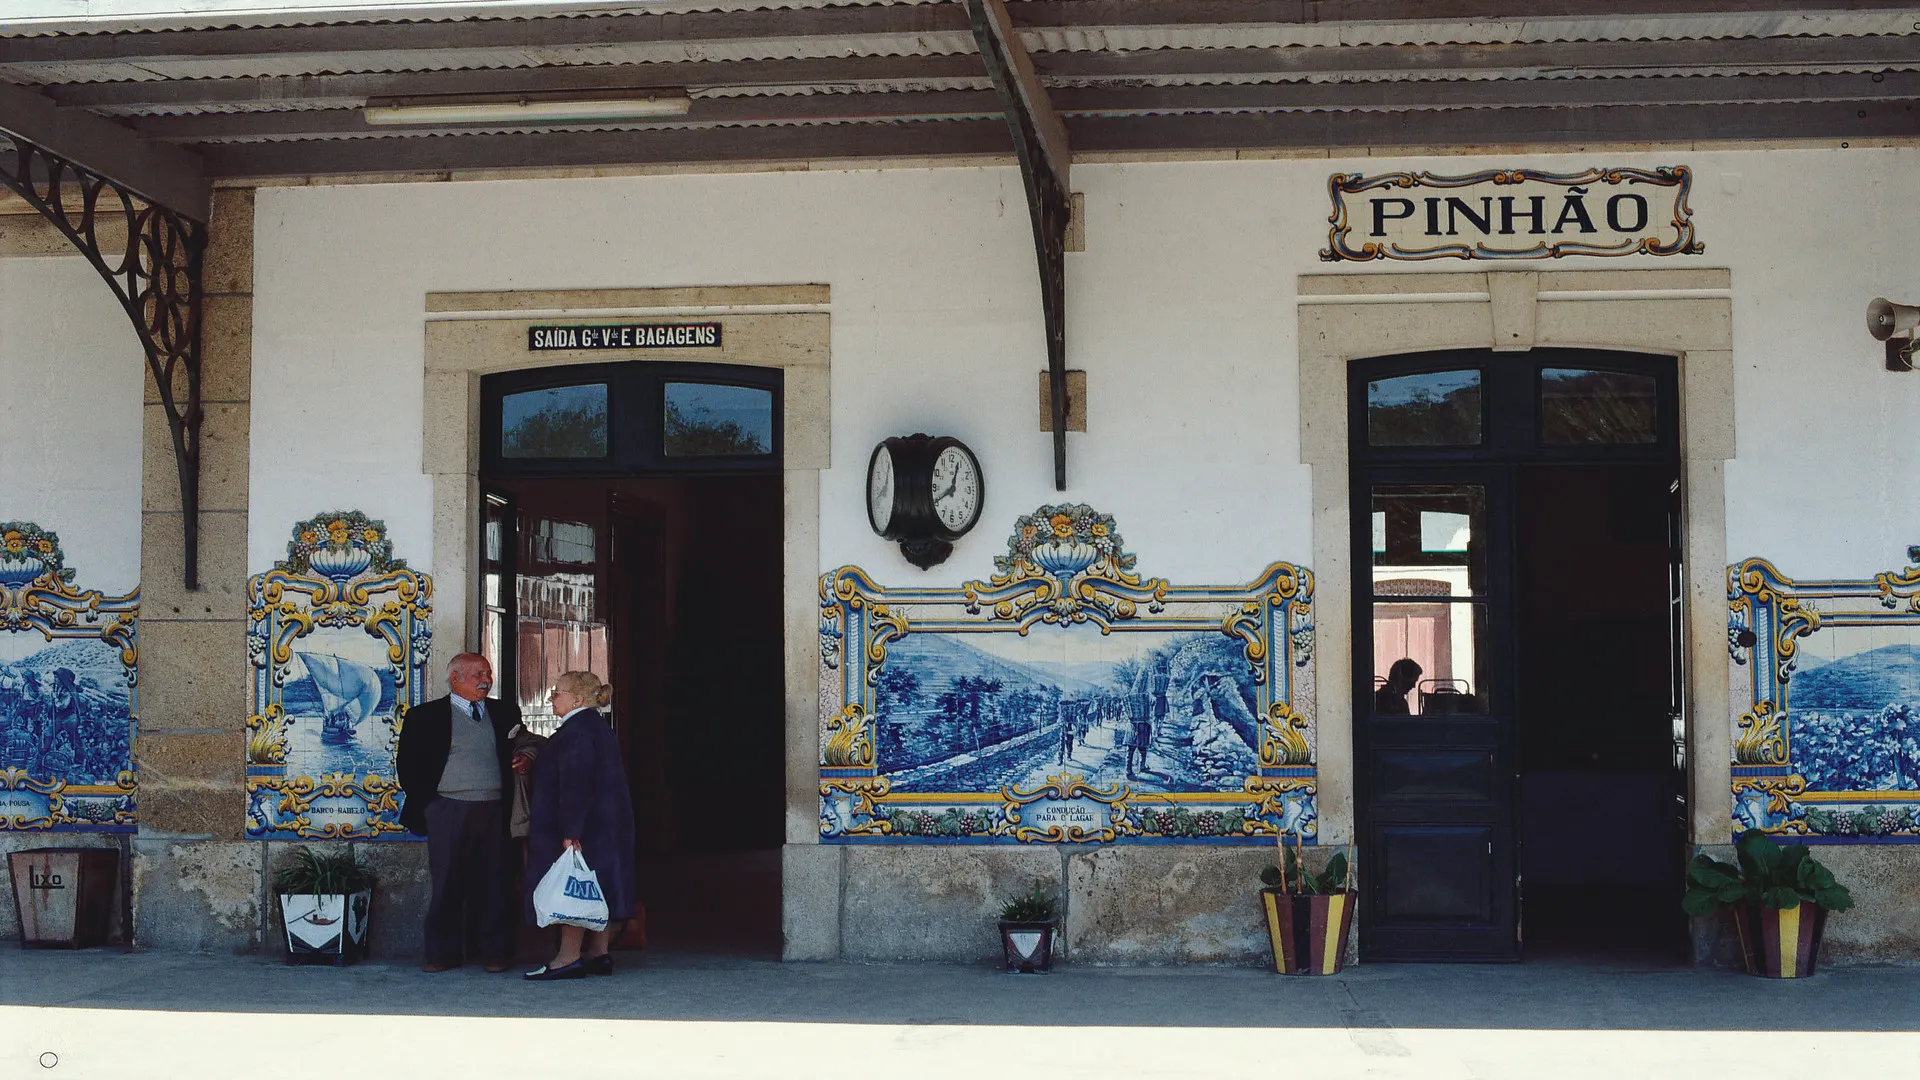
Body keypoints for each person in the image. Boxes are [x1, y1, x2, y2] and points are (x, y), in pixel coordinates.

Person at [395, 652, 524, 973]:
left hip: (495, 808)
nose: (486, 680)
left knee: (496, 881)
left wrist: (527, 758)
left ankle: (495, 953)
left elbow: (524, 744)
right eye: (479, 674)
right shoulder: (424, 716)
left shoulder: (505, 711)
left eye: (489, 673)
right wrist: (431, 804)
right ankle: (442, 953)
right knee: (448, 881)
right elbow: (407, 766)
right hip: (446, 809)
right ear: (455, 678)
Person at [523, 670, 636, 981]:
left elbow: (576, 785)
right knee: (595, 887)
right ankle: (599, 954)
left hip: (583, 829)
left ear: (577, 699)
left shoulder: (575, 732)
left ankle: (567, 957)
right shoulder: (596, 727)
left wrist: (571, 831)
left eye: (557, 692)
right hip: (603, 826)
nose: (551, 698)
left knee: (572, 888)